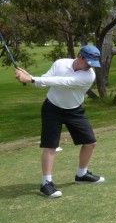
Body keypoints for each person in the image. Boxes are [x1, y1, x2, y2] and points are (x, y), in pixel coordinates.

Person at [15, 45, 105, 198]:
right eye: (88, 62)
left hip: (74, 110)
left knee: (90, 143)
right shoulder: (60, 63)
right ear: (79, 56)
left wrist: (31, 79)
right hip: (52, 108)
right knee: (51, 146)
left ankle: (81, 175)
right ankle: (46, 183)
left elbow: (63, 82)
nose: (90, 66)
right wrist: (31, 78)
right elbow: (45, 81)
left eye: (93, 63)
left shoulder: (89, 76)